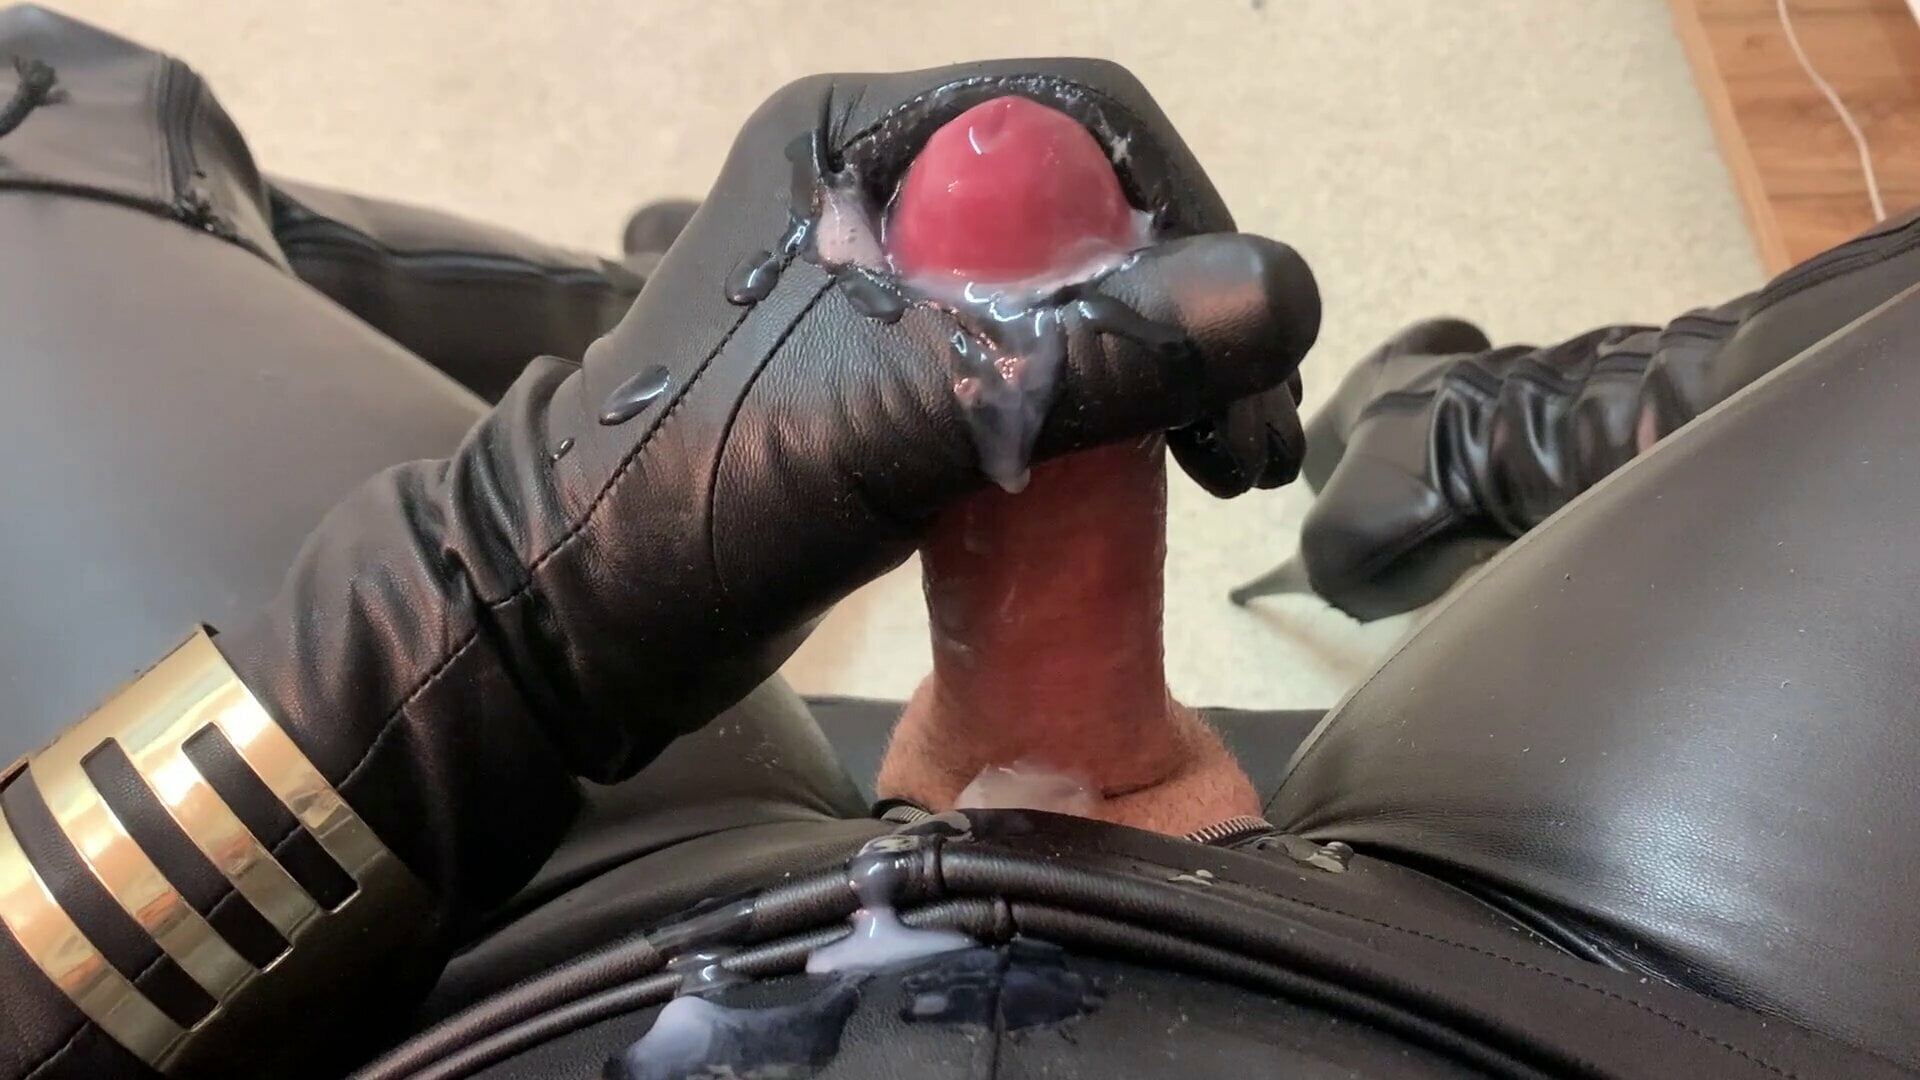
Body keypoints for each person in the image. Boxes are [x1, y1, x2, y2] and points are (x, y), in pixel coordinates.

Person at [2, 7, 1917, 1079]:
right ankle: (1478, 439)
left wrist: (505, 590)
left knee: (41, 118)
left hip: (457, 995)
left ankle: (665, 328)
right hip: (1604, 1015)